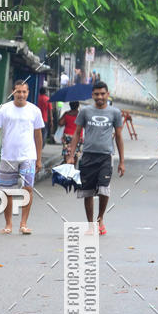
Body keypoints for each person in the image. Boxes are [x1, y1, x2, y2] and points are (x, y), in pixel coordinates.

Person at [66, 81, 124, 234]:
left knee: (104, 190)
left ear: (107, 94)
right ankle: (91, 225)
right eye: (97, 94)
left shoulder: (115, 113)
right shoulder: (85, 111)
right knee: (88, 192)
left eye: (102, 94)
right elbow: (77, 133)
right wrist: (71, 156)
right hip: (88, 156)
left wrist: (122, 162)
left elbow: (119, 137)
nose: (100, 97)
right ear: (92, 95)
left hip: (106, 157)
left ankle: (100, 219)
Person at [0, 80, 44, 234]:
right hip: (8, 156)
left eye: (24, 92)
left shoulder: (35, 111)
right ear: (13, 92)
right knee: (7, 192)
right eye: (18, 92)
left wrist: (39, 158)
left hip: (28, 156)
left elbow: (38, 136)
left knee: (28, 188)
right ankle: (8, 225)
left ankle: (23, 224)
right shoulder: (4, 109)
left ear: (28, 93)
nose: (21, 95)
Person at [58, 101, 82, 167]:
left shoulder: (67, 114)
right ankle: (73, 167)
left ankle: (67, 166)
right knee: (75, 153)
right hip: (78, 136)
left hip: (67, 136)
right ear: (78, 106)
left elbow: (60, 123)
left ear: (70, 105)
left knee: (67, 152)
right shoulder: (80, 114)